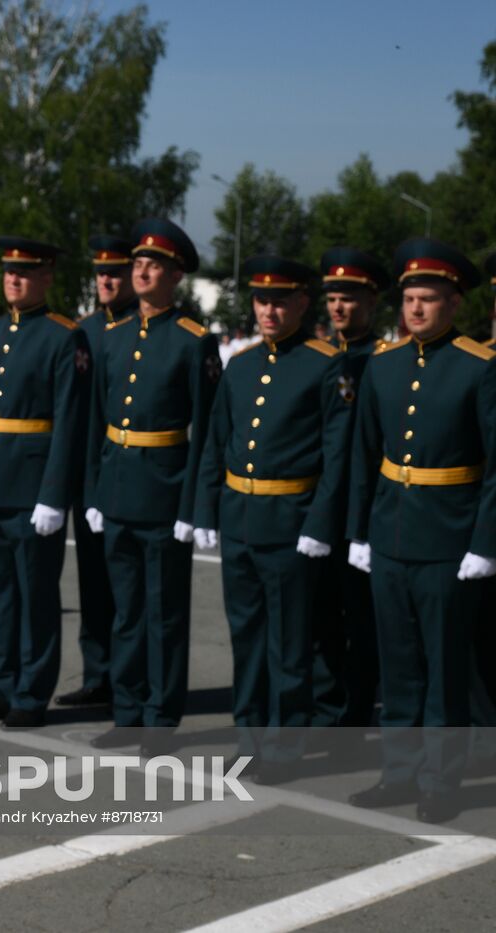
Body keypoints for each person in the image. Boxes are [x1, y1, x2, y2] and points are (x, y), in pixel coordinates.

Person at [346, 238, 496, 823]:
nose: (415, 309)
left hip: (449, 542)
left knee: (444, 668)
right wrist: (360, 533)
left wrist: (484, 543)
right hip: (391, 536)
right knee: (399, 664)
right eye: (409, 298)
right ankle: (399, 773)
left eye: (428, 299)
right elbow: (364, 456)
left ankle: (440, 781)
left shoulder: (479, 368)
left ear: (453, 303)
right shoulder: (382, 364)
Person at [193, 257, 352, 780]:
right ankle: (250, 737)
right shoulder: (240, 364)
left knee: (289, 643)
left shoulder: (326, 364)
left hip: (290, 523)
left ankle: (283, 748)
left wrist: (317, 525)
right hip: (241, 519)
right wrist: (206, 510)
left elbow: (337, 456)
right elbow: (217, 443)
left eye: (280, 300)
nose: (269, 310)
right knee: (248, 638)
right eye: (262, 301)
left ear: (303, 303)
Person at [83, 219, 220, 755]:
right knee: (126, 611)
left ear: (176, 275)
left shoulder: (193, 342)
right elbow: (99, 422)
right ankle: (129, 708)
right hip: (118, 492)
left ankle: (160, 717)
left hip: (166, 494)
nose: (140, 270)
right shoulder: (113, 338)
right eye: (138, 262)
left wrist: (195, 506)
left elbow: (207, 431)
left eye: (154, 264)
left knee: (163, 613)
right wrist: (95, 493)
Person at [0, 237, 88, 729]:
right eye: (9, 271)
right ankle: (0, 685)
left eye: (25, 272)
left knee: (35, 595)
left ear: (47, 278)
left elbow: (68, 423)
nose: (14, 279)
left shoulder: (62, 336)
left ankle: (32, 693)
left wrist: (53, 496)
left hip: (32, 490)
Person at [309, 248, 390, 731]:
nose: (339, 308)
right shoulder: (322, 357)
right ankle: (327, 700)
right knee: (320, 615)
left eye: (350, 299)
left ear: (372, 302)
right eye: (333, 298)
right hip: (317, 505)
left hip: (361, 508)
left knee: (360, 616)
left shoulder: (383, 359)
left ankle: (357, 704)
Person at [58, 235, 135, 708]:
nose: (106, 280)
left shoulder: (138, 327)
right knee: (91, 579)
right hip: (87, 474)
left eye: (115, 273)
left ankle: (128, 676)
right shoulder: (82, 329)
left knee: (127, 586)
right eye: (100, 273)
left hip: (127, 473)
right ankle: (96, 673)